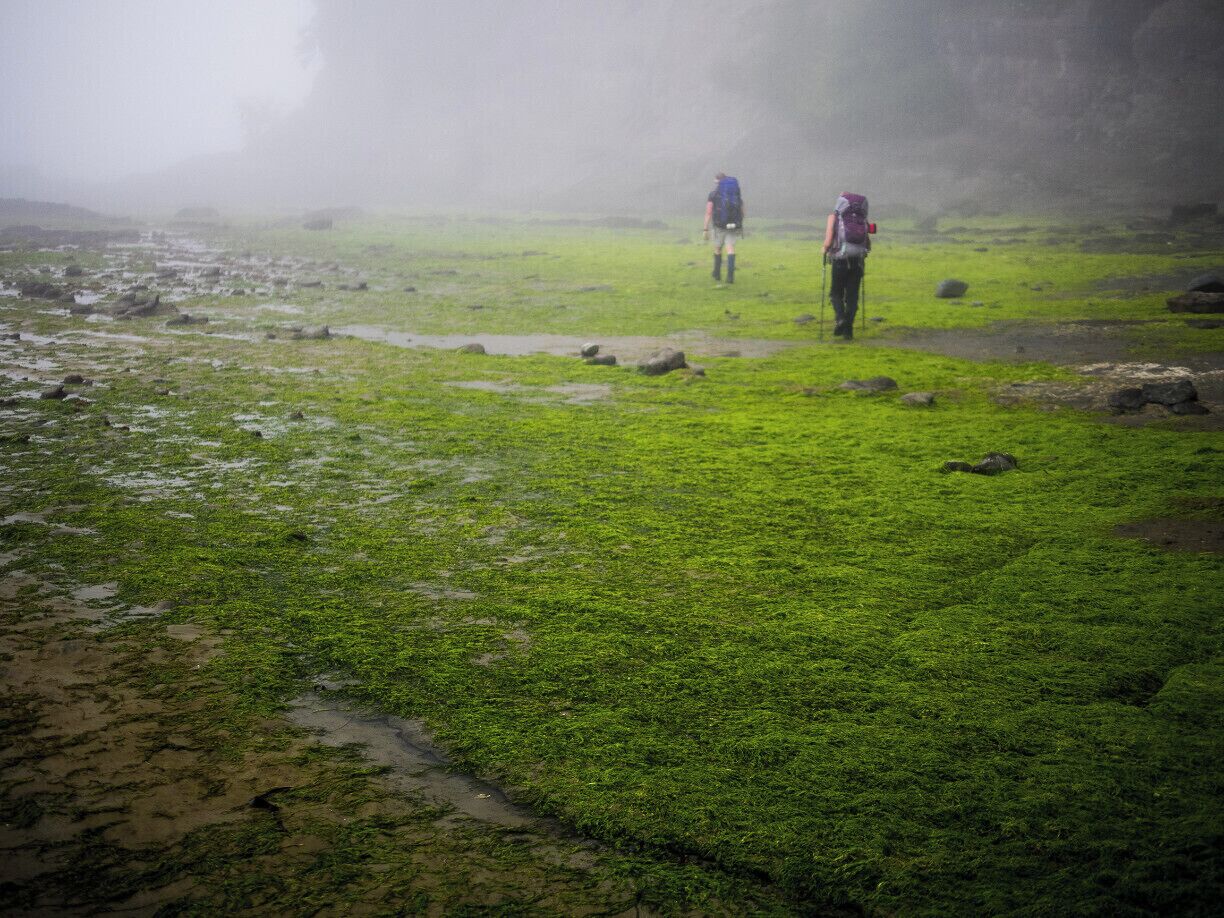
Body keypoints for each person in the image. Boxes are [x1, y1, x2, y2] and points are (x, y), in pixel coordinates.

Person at [822, 193, 871, 339]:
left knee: (836, 293)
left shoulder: (834, 217)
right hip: (857, 261)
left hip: (840, 261)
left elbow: (828, 240)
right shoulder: (862, 219)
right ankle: (848, 330)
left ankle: (841, 319)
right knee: (852, 296)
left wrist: (824, 249)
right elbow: (868, 243)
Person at [703, 173, 744, 284]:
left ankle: (717, 273)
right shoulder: (735, 194)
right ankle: (730, 277)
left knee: (717, 248)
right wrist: (739, 223)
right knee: (730, 249)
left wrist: (705, 229)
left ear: (717, 182)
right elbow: (741, 210)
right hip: (733, 225)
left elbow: (708, 212)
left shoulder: (713, 194)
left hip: (719, 226)